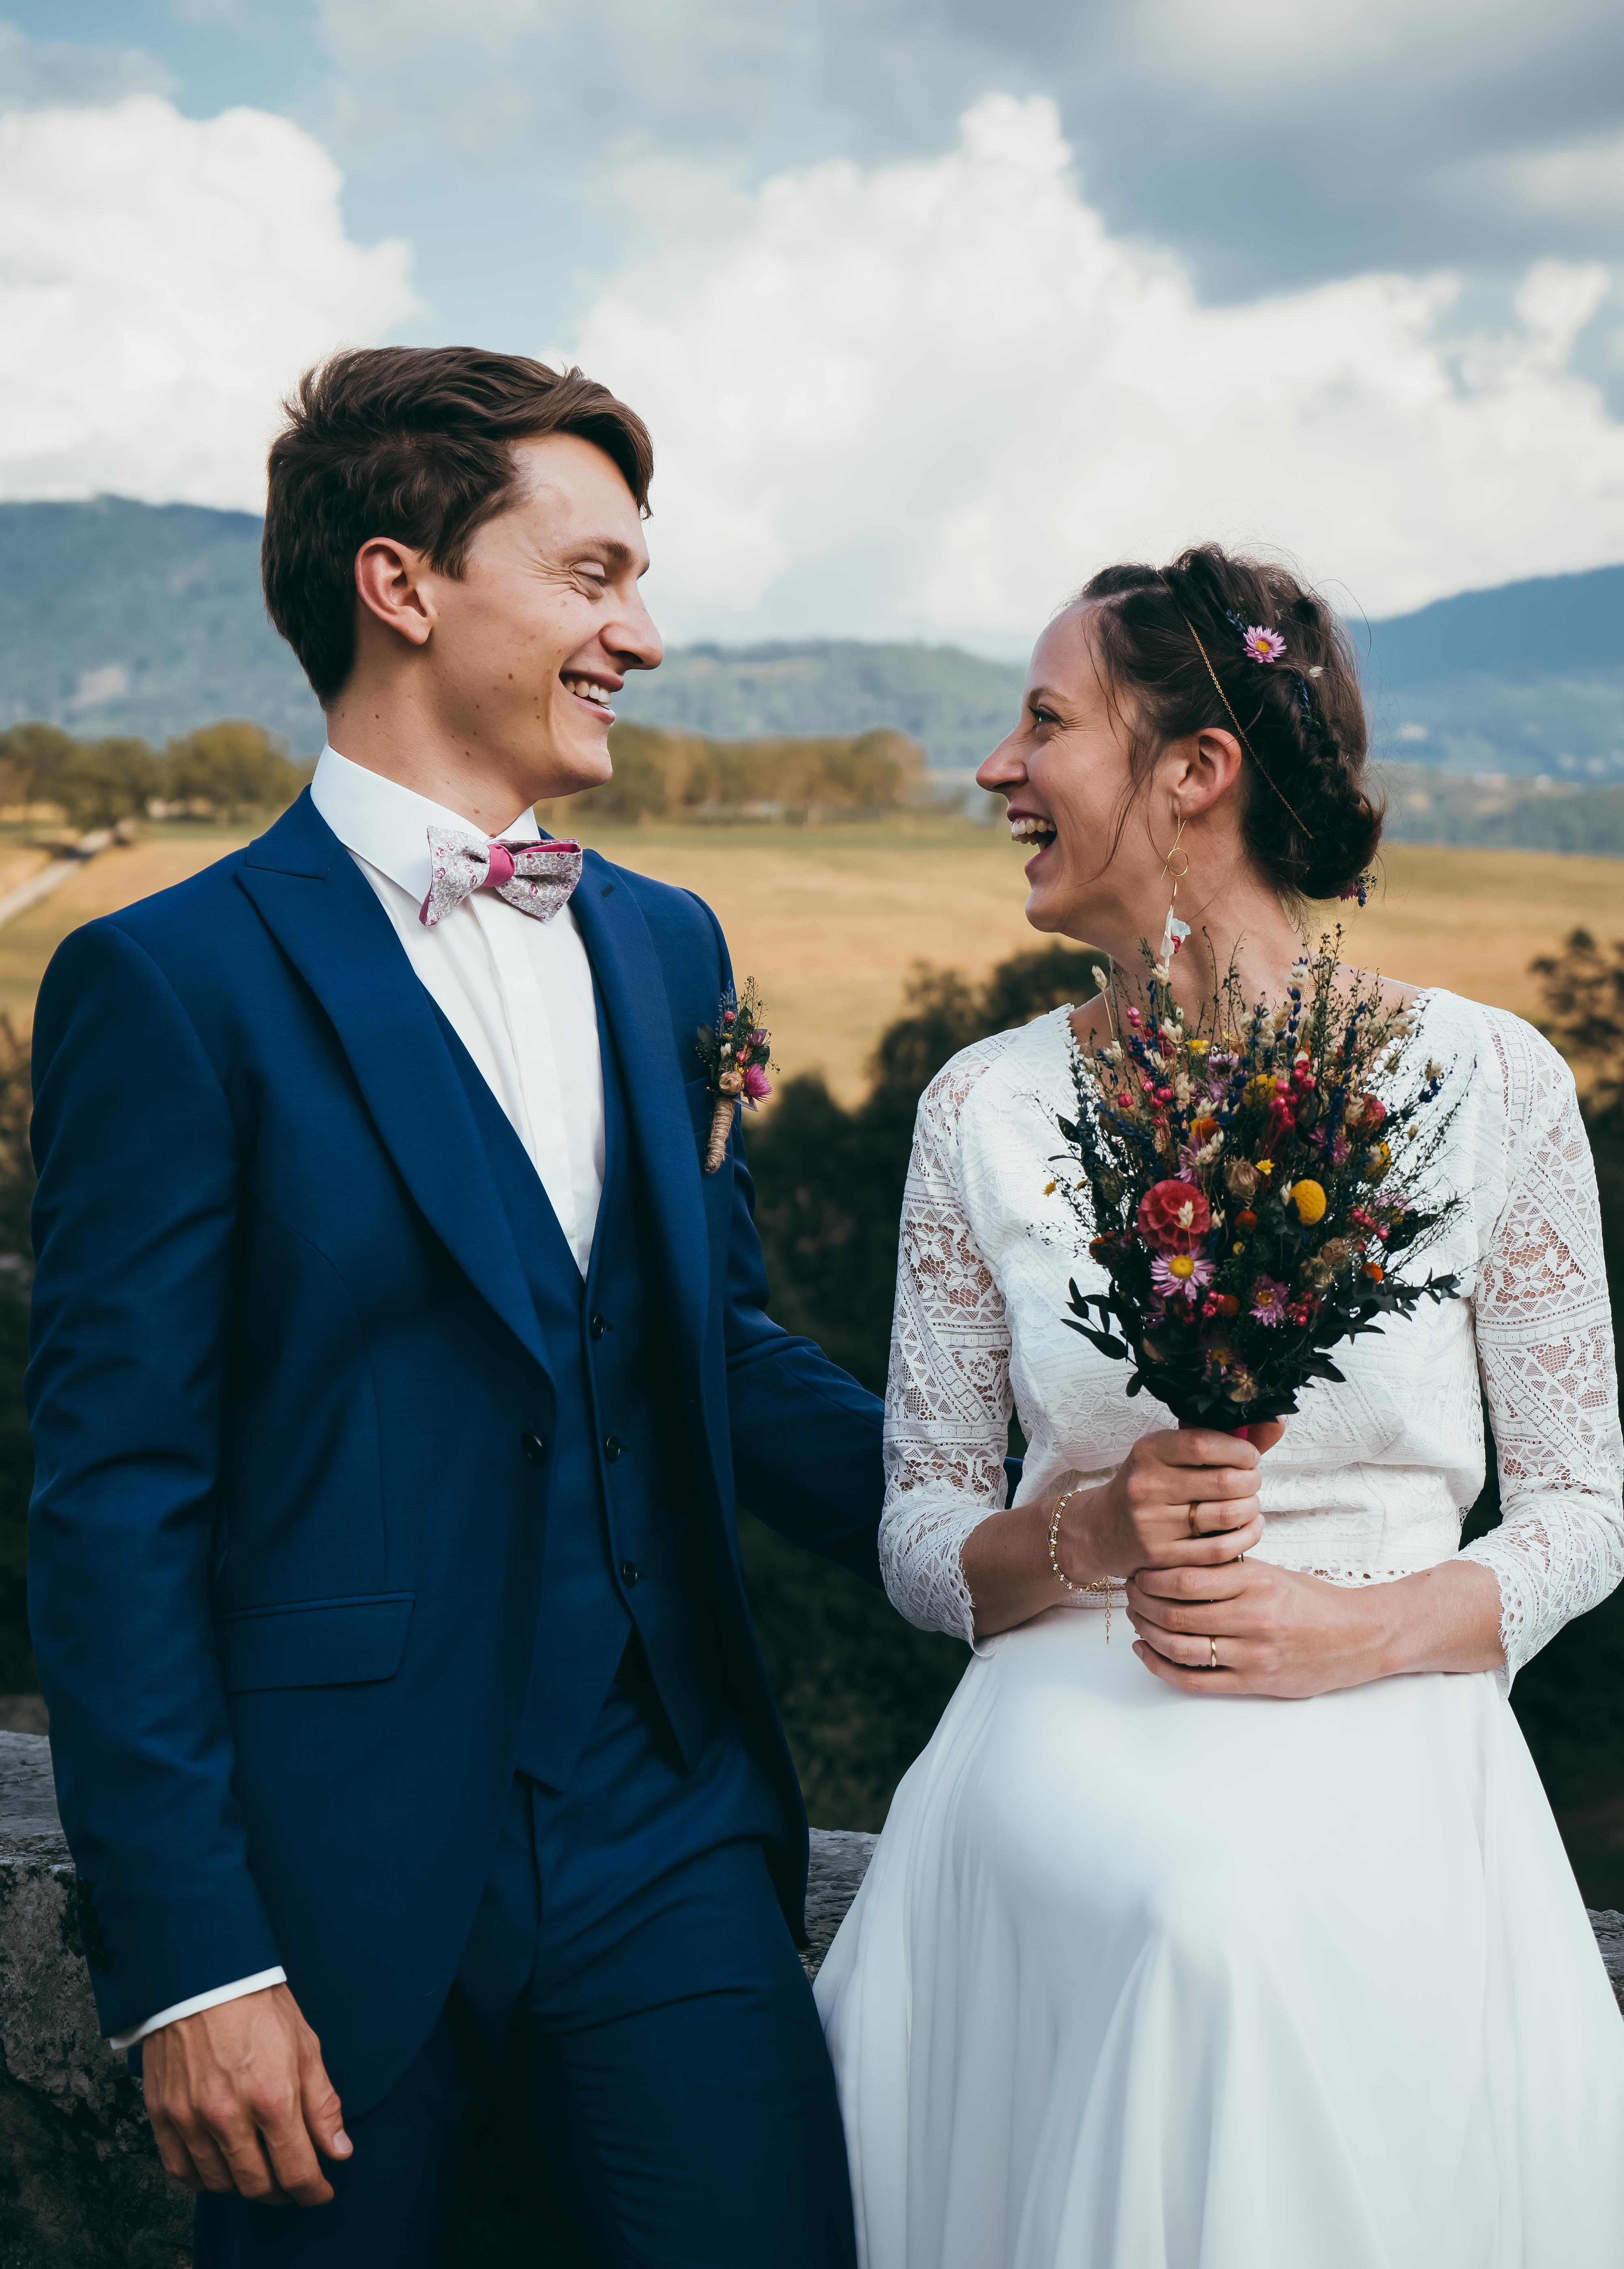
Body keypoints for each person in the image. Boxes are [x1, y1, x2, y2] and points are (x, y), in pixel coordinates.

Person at [27, 346, 882, 2267]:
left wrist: (1004, 1526)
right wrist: (191, 1960)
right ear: (401, 586)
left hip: (669, 1836)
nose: (641, 636)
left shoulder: (670, 947)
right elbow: (116, 1495)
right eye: (592, 577)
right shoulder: (169, 984)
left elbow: (706, 1354)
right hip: (328, 1889)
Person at [815, 545, 1624, 2268]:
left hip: (1395, 1712)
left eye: (1043, 723)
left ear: (1196, 771)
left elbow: (1585, 1509)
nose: (994, 768)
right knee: (1198, 1924)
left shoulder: (1491, 1086)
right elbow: (914, 1527)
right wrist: (1089, 1534)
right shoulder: (983, 1108)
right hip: (1060, 1732)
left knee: (1232, 1934)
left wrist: (1370, 1630)